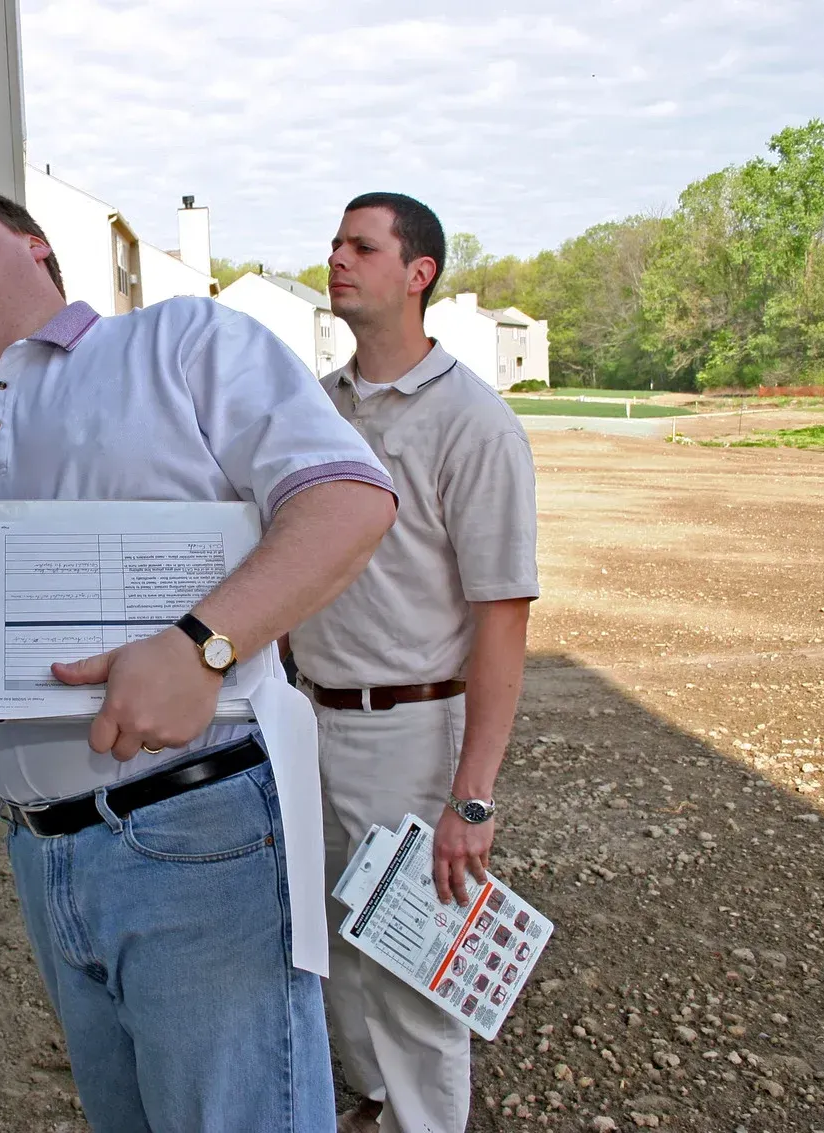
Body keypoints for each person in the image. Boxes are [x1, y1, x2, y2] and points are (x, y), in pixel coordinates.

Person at [0, 184, 397, 1131]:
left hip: (201, 828)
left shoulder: (180, 344)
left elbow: (347, 499)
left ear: (36, 246)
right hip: (46, 855)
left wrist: (201, 646)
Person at [288, 194, 538, 1133]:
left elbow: (502, 616)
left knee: (414, 966)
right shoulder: (318, 406)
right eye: (336, 242)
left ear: (419, 273)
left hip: (409, 728)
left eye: (362, 245)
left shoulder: (473, 424)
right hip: (308, 712)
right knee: (338, 945)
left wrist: (471, 797)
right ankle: (377, 1102)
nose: (337, 258)